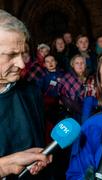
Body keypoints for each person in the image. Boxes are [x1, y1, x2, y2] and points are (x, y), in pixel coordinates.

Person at [0, 9, 53, 180]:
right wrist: (4, 167)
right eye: (11, 55)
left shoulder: (31, 91)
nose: (22, 64)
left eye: (22, 53)